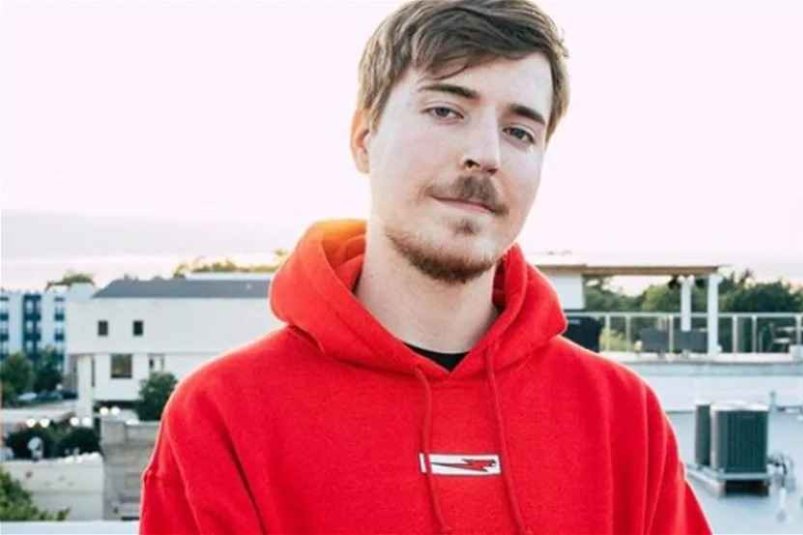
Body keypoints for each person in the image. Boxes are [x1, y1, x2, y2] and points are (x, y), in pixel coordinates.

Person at [139, 1, 713, 533]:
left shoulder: (622, 418)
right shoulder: (224, 415)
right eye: (446, 110)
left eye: (519, 131)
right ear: (364, 139)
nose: (485, 154)